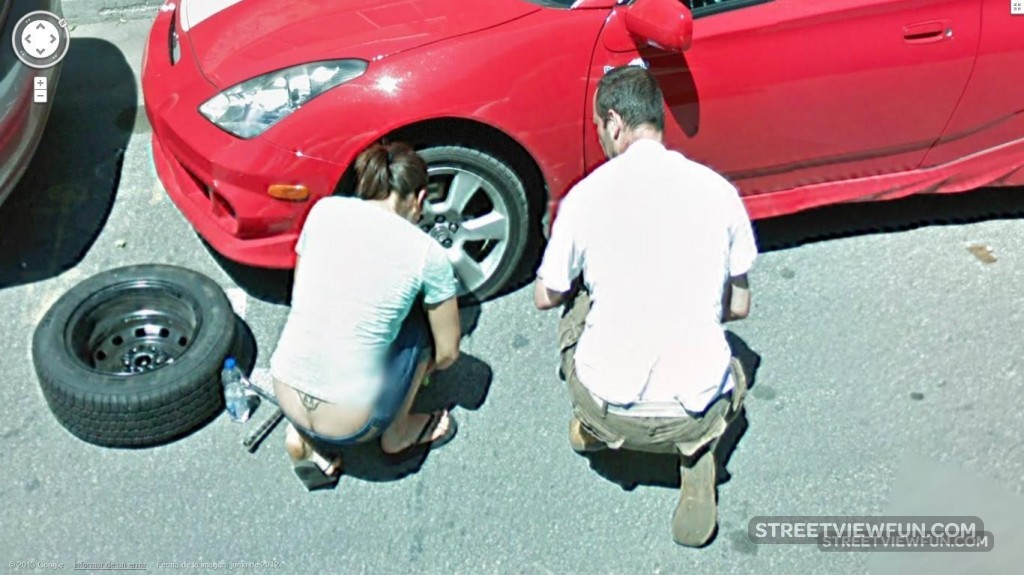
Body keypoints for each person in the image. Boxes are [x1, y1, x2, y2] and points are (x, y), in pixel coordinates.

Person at [533, 65, 758, 547]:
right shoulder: (718, 191)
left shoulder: (585, 197)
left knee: (576, 293)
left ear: (614, 122)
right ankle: (697, 457)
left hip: (608, 405)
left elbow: (544, 296)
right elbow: (739, 307)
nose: (601, 139)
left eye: (599, 129)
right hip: (692, 411)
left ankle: (595, 429)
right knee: (734, 366)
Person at [270, 142, 462, 491]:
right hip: (352, 422)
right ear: (418, 200)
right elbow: (448, 353)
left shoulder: (324, 211)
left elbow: (301, 292)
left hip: (285, 389)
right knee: (421, 333)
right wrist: (425, 368)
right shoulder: (426, 254)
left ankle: (303, 436)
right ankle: (398, 434)